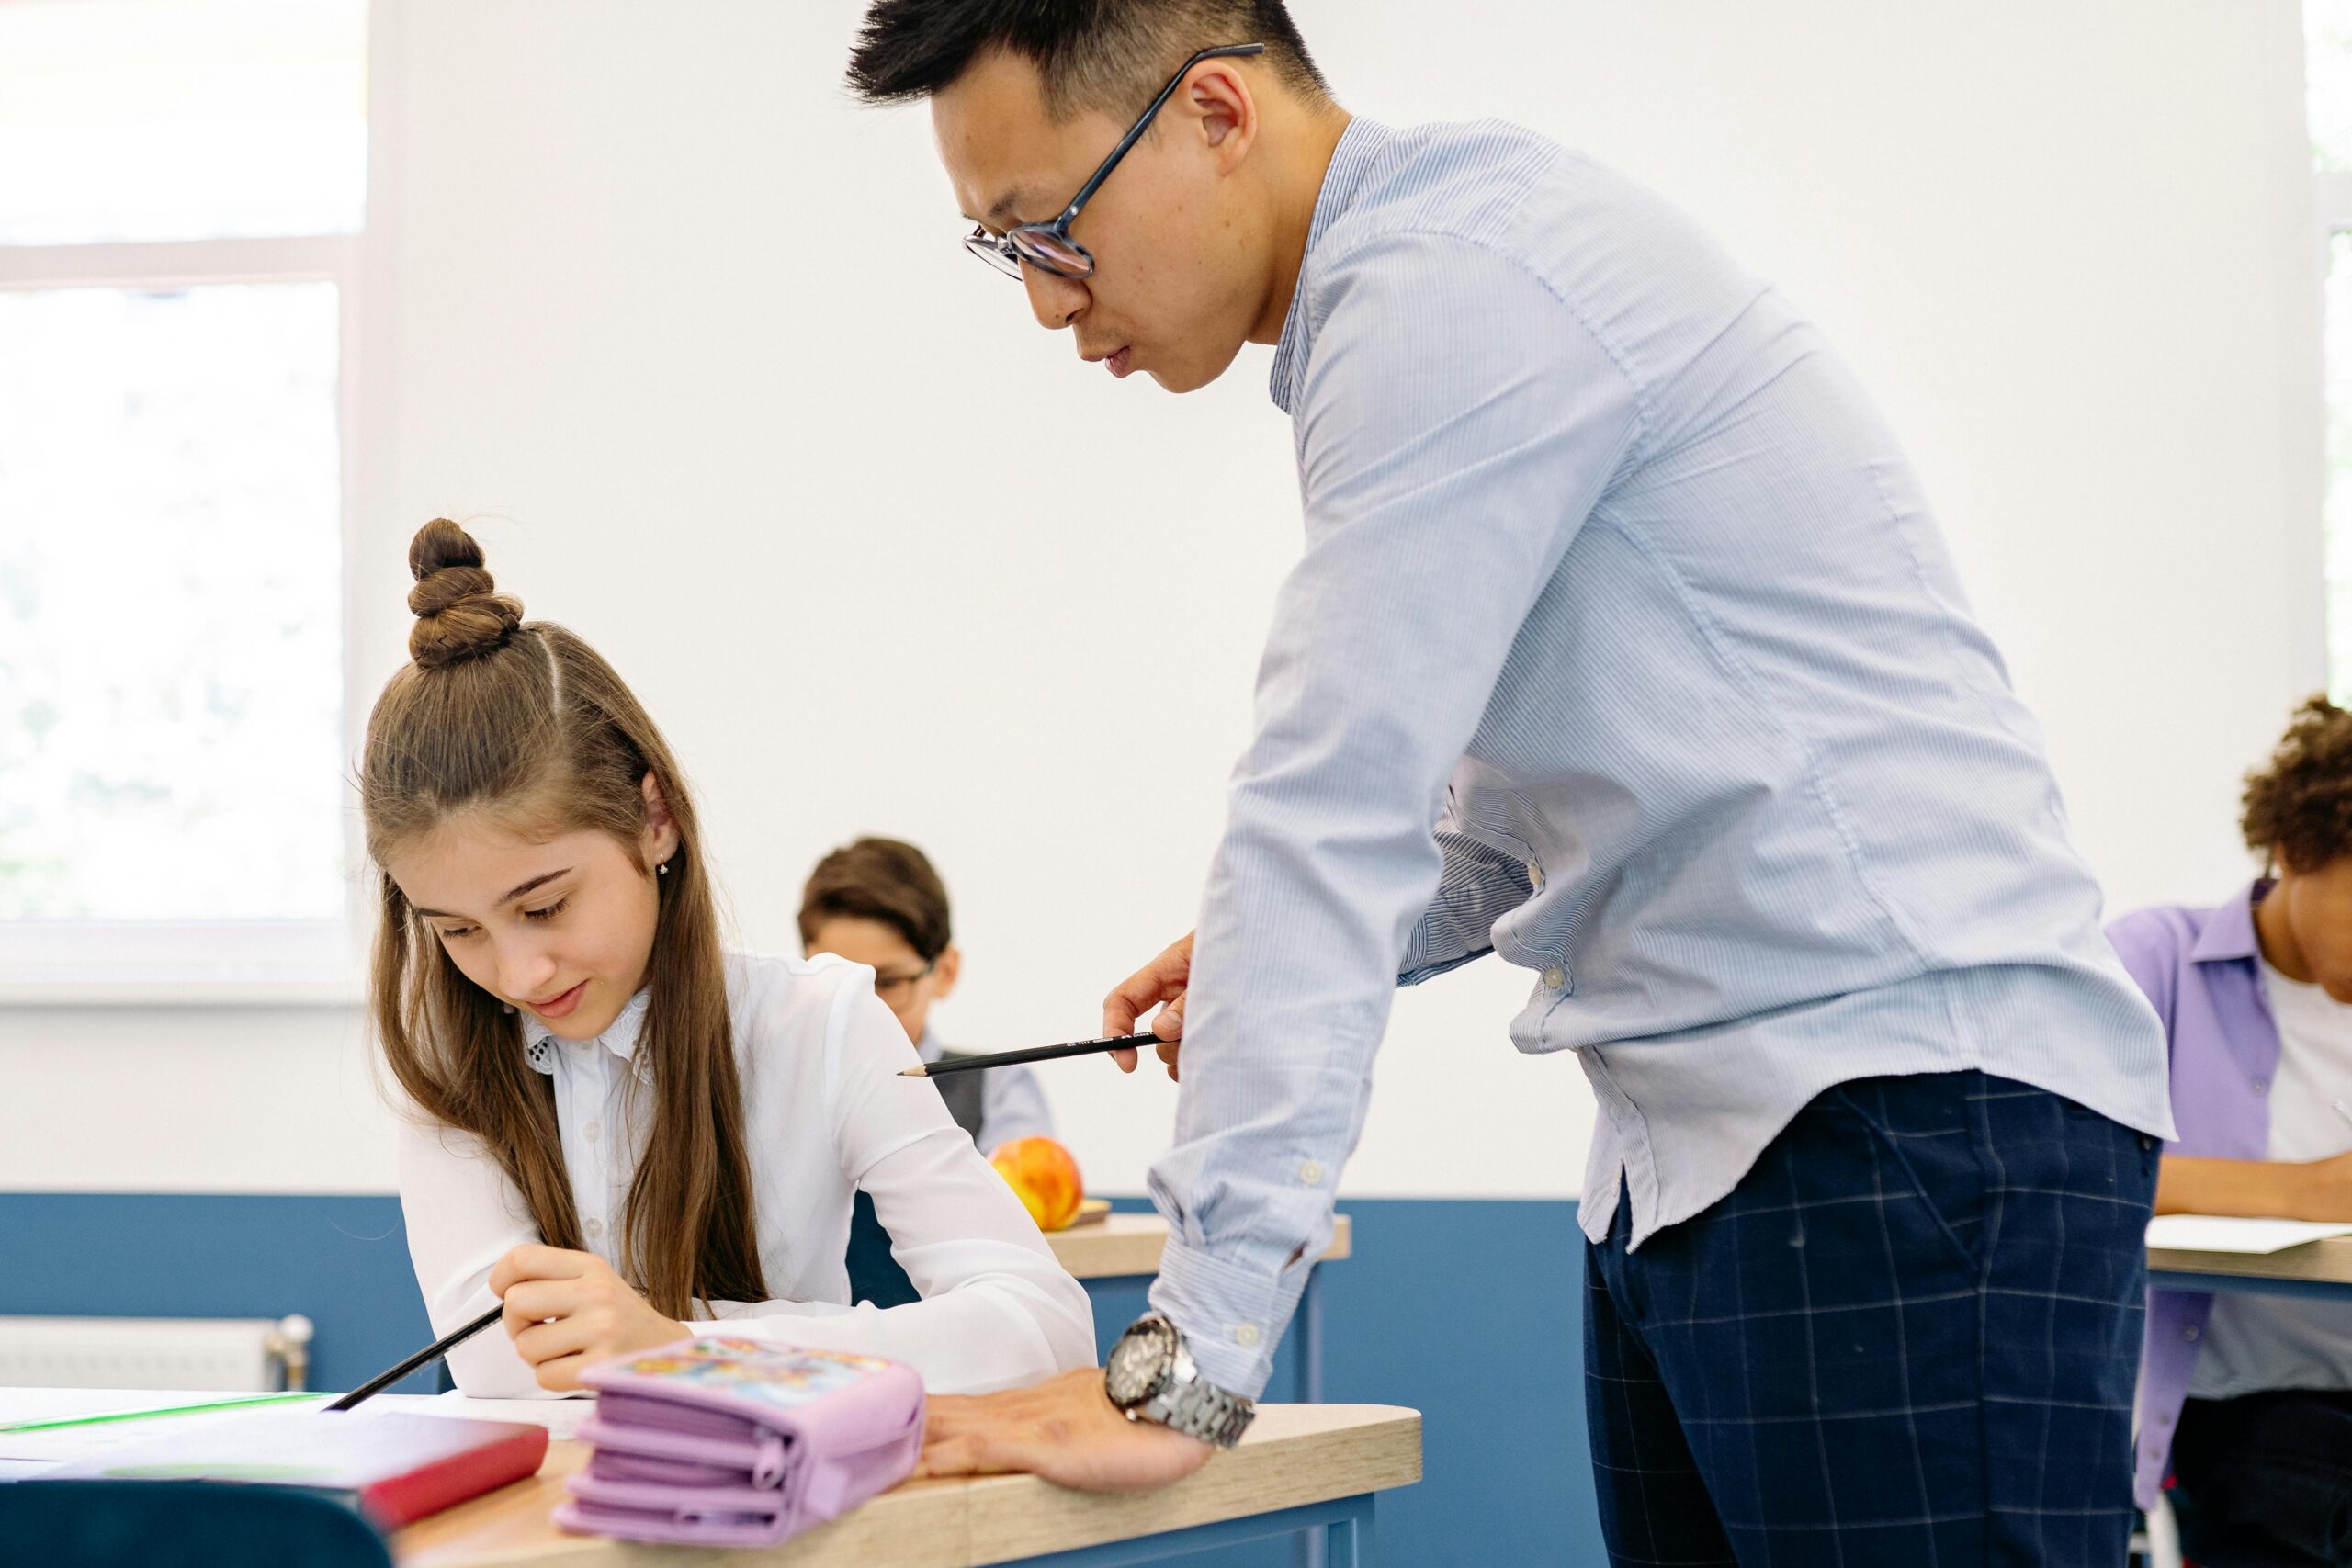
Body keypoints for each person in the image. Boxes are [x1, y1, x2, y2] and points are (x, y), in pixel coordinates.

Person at [847, 2, 2176, 1558]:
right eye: (1001, 251)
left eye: (1047, 229)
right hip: (1716, 1153)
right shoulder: (1414, 294)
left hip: (1892, 1118)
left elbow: (1322, 808)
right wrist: (1290, 957)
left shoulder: (1450, 291)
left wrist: (1185, 1361)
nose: (1047, 304)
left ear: (1216, 112)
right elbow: (1526, 816)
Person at [365, 519, 1094, 1398]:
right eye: (457, 930)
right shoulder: (446, 1062)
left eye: (546, 905)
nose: (519, 975)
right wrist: (744, 1344)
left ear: (655, 818)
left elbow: (1044, 1329)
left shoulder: (820, 1024)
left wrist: (678, 1345)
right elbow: (504, 1371)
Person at [2114, 695, 2352, 1568]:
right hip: (2247, 1412)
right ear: (2296, 847)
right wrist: (2306, 1192)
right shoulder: (2156, 963)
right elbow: (2058, 1155)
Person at [799, 836, 1053, 1154]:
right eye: (836, 981)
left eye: (888, 982)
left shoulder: (998, 1091)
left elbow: (1022, 1201)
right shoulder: (777, 1087)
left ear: (945, 972)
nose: (860, 1011)